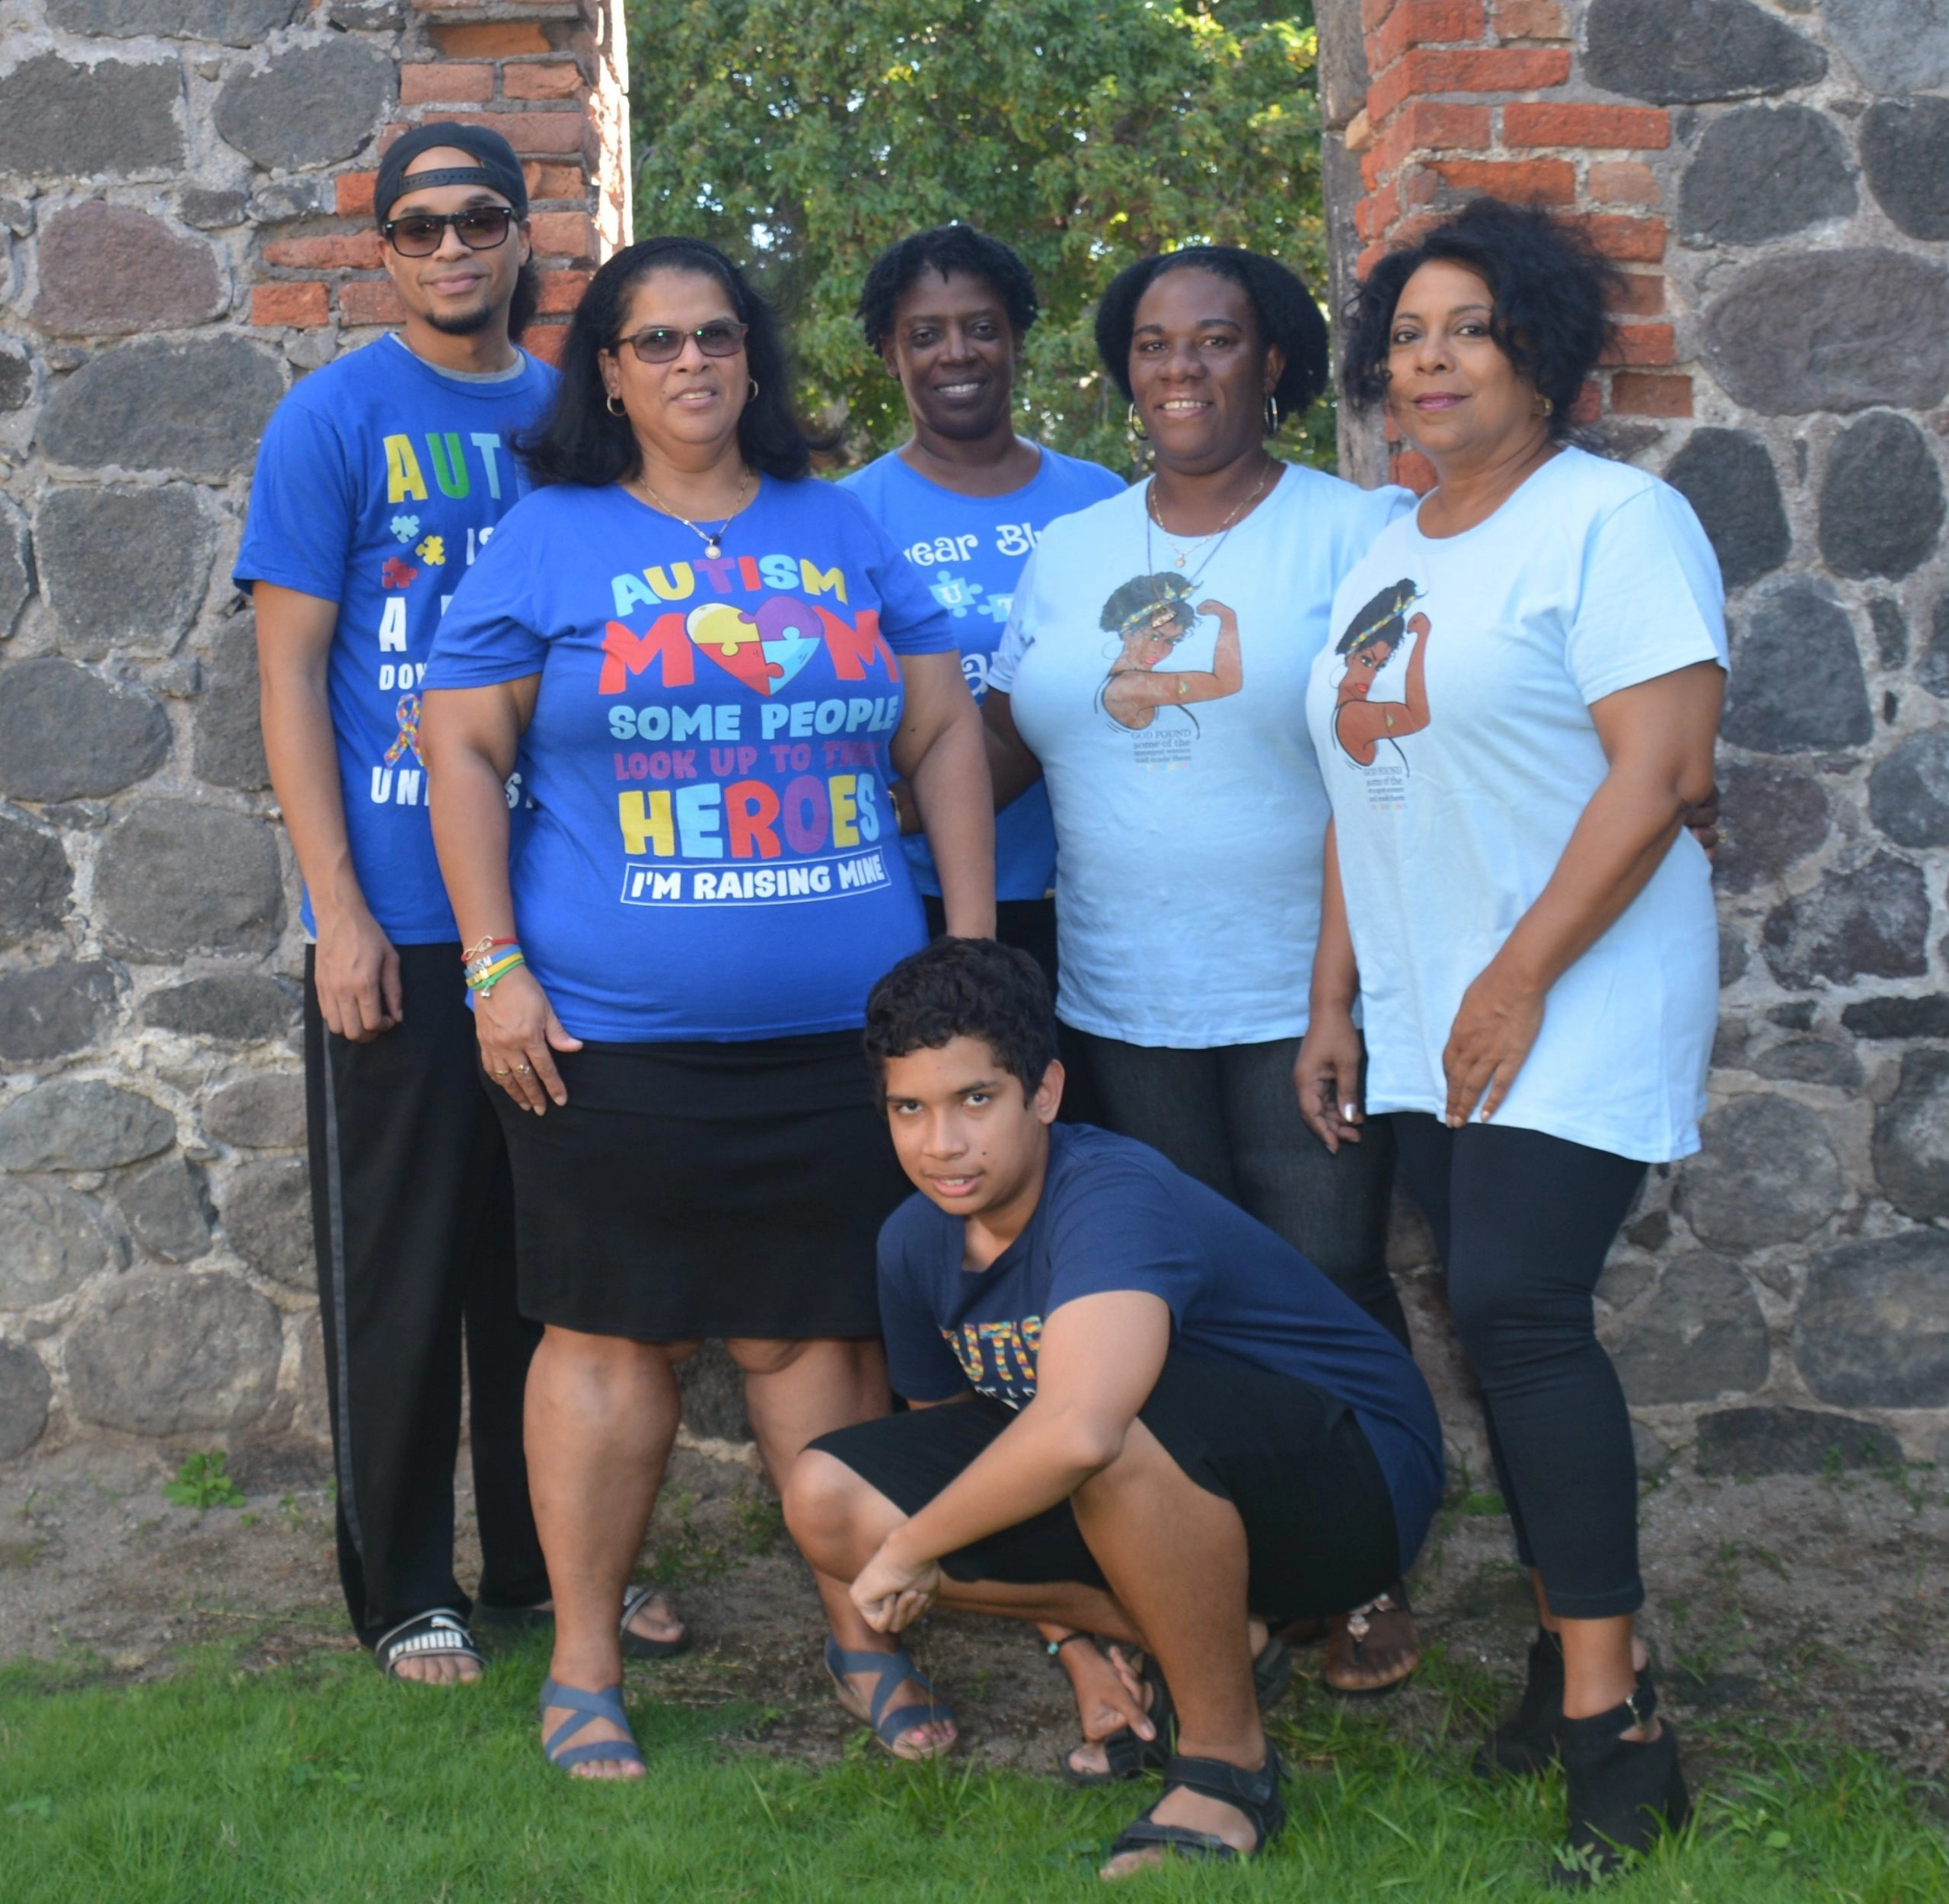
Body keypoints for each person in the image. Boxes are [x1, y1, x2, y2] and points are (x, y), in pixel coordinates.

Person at [419, 235, 994, 1778]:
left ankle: (860, 1627)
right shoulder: (548, 539)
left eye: (716, 337)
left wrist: (972, 946)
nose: (690, 365)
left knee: (813, 1338)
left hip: (839, 1033)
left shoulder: (840, 521)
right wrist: (492, 964)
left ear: (754, 356)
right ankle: (587, 1655)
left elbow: (939, 731)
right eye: (655, 341)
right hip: (609, 1035)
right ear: (605, 368)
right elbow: (462, 751)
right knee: (605, 1340)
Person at [1300, 196, 1725, 1885]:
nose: (1426, 358)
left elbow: (1659, 773)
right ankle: (1566, 1651)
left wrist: (1518, 974)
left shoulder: (1611, 523)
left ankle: (1616, 1725)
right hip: (1422, 1010)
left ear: (1538, 350)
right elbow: (1352, 780)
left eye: (1464, 326)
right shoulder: (1381, 548)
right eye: (1404, 332)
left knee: (1516, 1314)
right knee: (1489, 1322)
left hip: (1571, 986)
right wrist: (1336, 998)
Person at [981, 244, 1427, 1695]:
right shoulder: (1072, 552)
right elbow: (986, 745)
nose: (1182, 370)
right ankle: (1229, 1564)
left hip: (1313, 995)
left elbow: (1405, 750)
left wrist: (1336, 998)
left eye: (1218, 342)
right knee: (1166, 1307)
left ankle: (1365, 1573)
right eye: (1156, 346)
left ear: (1275, 362)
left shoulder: (1363, 532)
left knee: (1329, 1281)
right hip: (1118, 997)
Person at [783, 936, 1443, 1876]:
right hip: (1165, 1491)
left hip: (1354, 1477)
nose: (943, 1143)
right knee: (827, 1497)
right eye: (909, 1108)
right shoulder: (912, 1243)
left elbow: (1080, 1428)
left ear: (1044, 1093)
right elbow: (963, 1441)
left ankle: (1226, 1771)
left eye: (976, 1099)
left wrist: (911, 1546)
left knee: (1101, 1432)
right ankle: (1204, 1636)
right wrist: (1074, 1646)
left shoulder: (1109, 1192)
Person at [237, 123, 557, 1684]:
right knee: (406, 1258)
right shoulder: (331, 418)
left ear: (517, 231)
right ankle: (400, 1580)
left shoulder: (578, 415)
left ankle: (539, 1558)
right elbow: (290, 673)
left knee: (544, 1259)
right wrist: (336, 909)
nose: (450, 247)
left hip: (562, 908)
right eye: (420, 225)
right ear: (384, 248)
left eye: (478, 217)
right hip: (402, 915)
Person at [840, 225, 1125, 994]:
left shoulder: (1101, 500)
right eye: (924, 335)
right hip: (911, 891)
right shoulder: (846, 517)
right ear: (888, 352)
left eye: (982, 329)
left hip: (1092, 893)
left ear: (1017, 340)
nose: (955, 353)